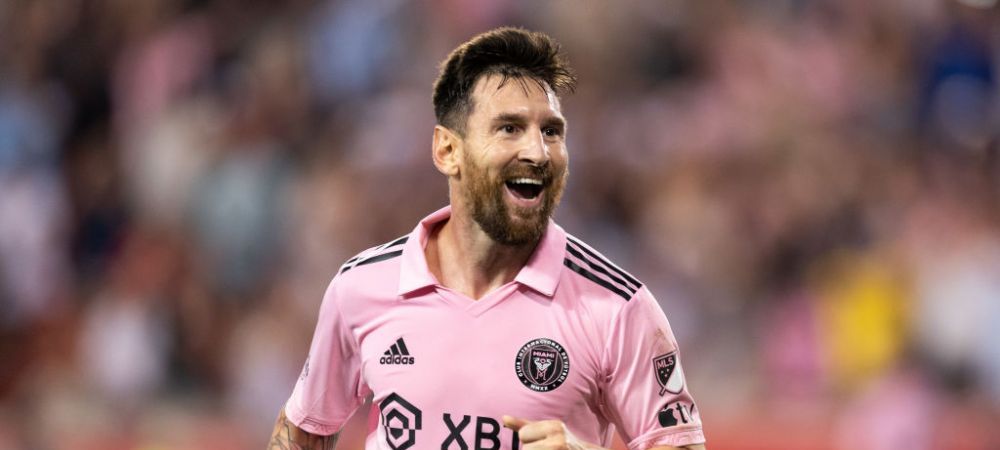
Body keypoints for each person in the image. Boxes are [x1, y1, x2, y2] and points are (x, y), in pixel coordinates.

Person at [268, 27, 706, 450]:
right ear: (448, 151)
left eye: (551, 131)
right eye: (509, 128)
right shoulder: (361, 288)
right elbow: (304, 432)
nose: (538, 152)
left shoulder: (617, 308)